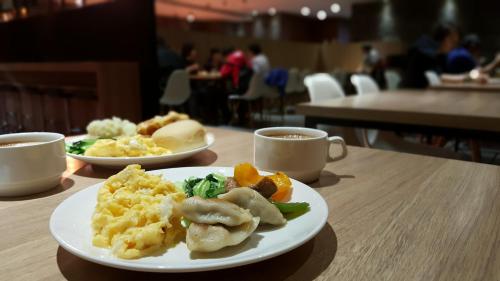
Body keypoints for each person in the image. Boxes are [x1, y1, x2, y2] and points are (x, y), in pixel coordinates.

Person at [402, 22, 459, 88]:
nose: (454, 46)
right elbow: (439, 77)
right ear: (443, 38)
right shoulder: (424, 52)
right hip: (412, 93)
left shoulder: (441, 55)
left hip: (425, 93)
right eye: (453, 41)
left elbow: (443, 76)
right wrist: (465, 77)